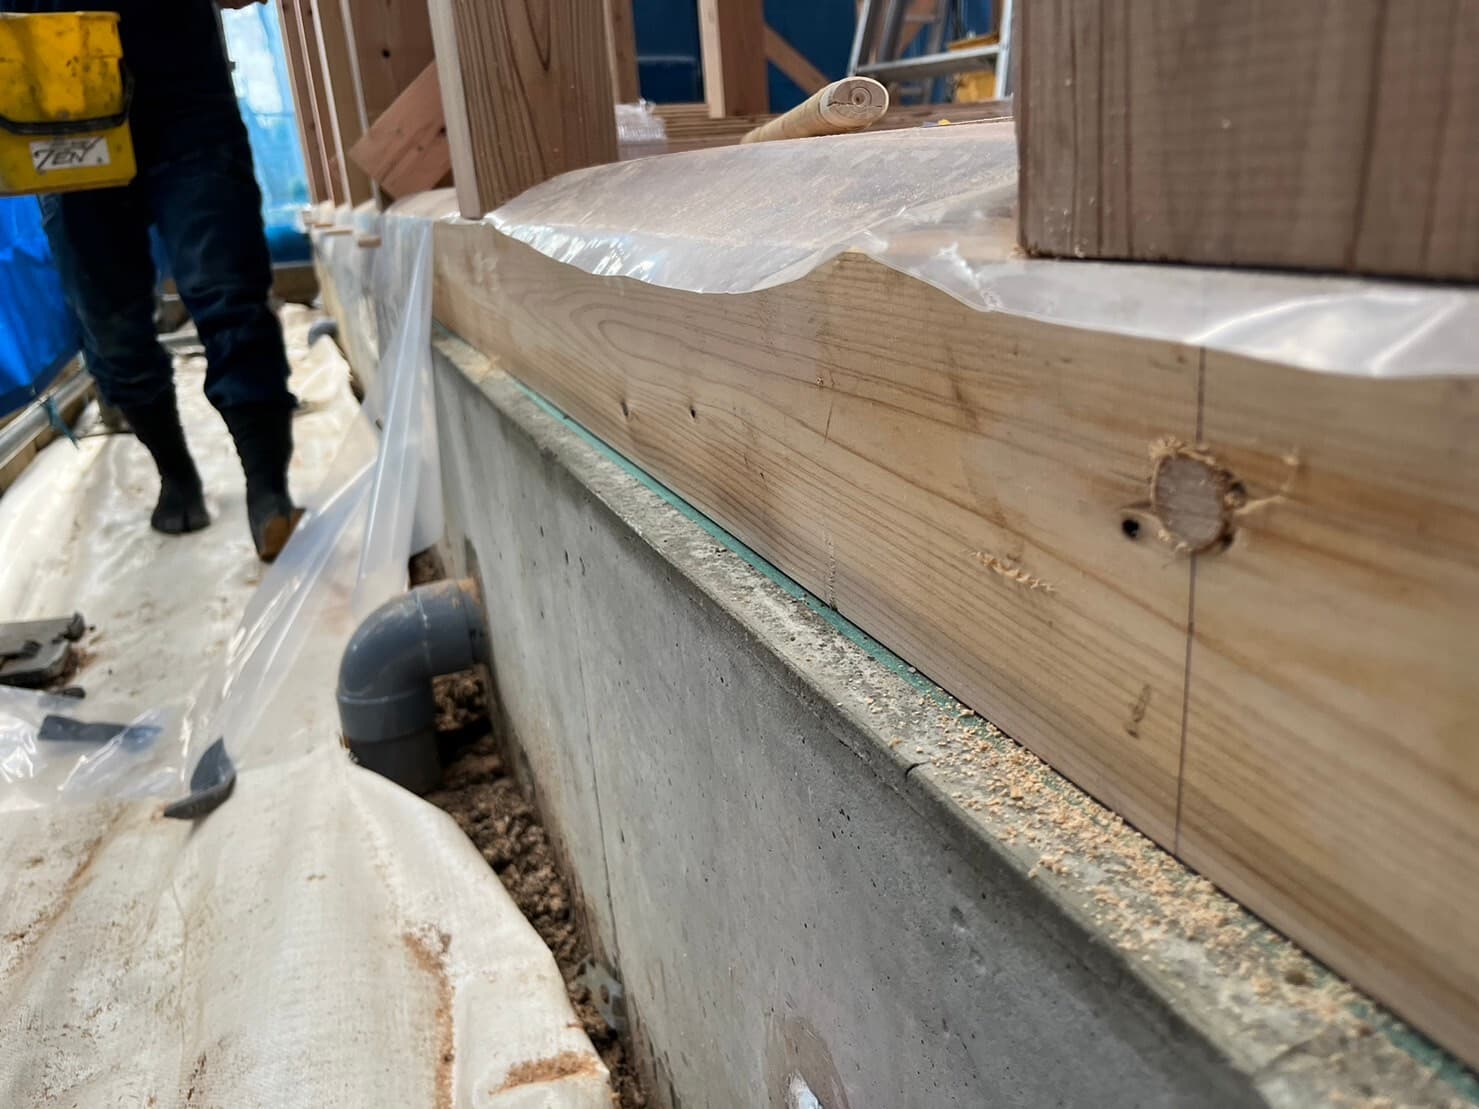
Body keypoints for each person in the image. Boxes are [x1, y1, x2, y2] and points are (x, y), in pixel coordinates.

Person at [2, 0, 301, 560]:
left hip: (180, 89)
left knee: (228, 289)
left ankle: (268, 490)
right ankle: (175, 471)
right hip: (55, 109)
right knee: (112, 331)